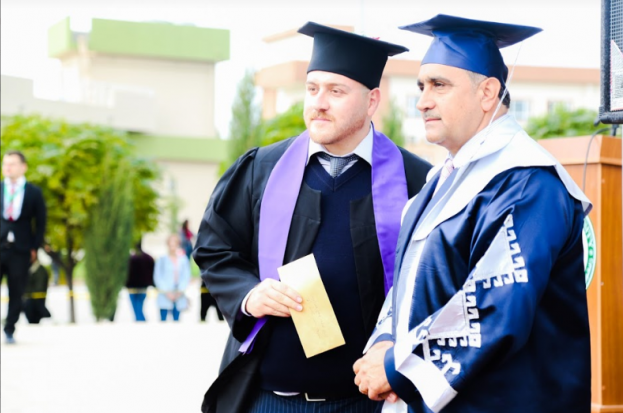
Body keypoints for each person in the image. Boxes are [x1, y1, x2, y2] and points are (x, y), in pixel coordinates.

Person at [353, 15, 592, 413]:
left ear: (487, 93)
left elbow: (496, 305)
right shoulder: (440, 181)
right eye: (421, 86)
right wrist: (385, 341)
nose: (422, 101)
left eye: (439, 85)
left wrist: (397, 367)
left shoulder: (527, 183)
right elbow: (409, 285)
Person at [193, 22, 432, 413]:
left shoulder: (416, 180)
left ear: (372, 101)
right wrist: (249, 294)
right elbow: (215, 249)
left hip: (367, 404)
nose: (319, 103)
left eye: (336, 91)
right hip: (268, 400)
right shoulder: (262, 169)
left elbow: (436, 281)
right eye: (312, 88)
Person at [0, 150, 46, 344]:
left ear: (23, 167)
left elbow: (41, 222)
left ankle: (10, 329)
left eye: (12, 164)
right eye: (5, 164)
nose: (7, 167)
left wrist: (34, 247)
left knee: (16, 291)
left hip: (21, 249)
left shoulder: (34, 192)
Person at [154, 234, 191, 322]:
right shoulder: (162, 259)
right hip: (165, 293)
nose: (172, 247)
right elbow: (157, 277)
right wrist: (167, 292)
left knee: (176, 320)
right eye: (170, 245)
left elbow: (186, 276)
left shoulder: (183, 259)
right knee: (163, 320)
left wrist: (180, 291)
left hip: (179, 293)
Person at [126, 240, 155, 322]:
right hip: (142, 288)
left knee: (137, 310)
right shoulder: (148, 258)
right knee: (138, 309)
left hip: (134, 288)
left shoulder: (131, 258)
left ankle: (142, 324)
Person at [23, 258, 52, 324]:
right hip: (30, 302)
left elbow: (40, 287)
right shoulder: (27, 268)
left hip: (36, 303)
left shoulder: (40, 270)